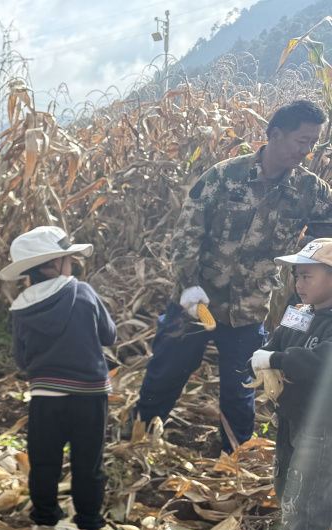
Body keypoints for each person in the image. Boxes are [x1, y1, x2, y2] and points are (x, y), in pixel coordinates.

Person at [131, 100, 332, 452]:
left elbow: (324, 240)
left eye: (314, 142)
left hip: (250, 308)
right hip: (199, 305)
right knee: (167, 371)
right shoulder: (225, 177)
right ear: (275, 135)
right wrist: (188, 285)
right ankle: (138, 439)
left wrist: (305, 294)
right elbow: (186, 233)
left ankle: (234, 457)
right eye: (302, 140)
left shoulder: (311, 192)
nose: (308, 150)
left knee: (242, 388)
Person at [3, 226, 117, 530]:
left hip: (45, 398)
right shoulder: (82, 292)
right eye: (68, 258)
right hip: (90, 397)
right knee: (88, 463)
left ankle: (44, 528)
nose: (73, 264)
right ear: (53, 264)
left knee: (44, 463)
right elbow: (109, 334)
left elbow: (22, 358)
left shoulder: (21, 306)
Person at [251, 238, 332, 530]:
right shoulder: (300, 312)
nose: (298, 284)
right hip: (291, 414)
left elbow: (321, 363)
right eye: (297, 276)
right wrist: (261, 357)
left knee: (310, 489)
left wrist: (278, 361)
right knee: (287, 479)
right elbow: (278, 341)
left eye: (307, 276)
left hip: (322, 423)